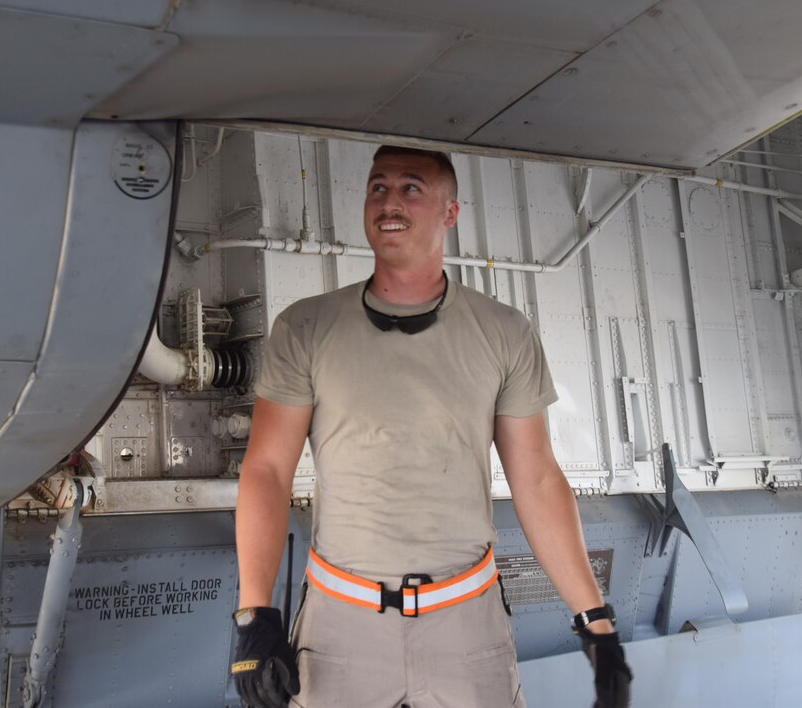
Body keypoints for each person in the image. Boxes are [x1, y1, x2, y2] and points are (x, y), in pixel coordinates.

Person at [231, 145, 632, 707]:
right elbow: (267, 469)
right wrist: (256, 615)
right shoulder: (306, 326)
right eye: (378, 187)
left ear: (450, 212)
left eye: (410, 188)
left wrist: (595, 619)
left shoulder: (504, 332)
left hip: (467, 628)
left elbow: (537, 479)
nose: (389, 202)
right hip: (339, 630)